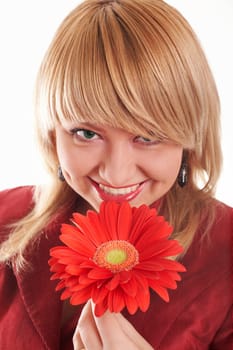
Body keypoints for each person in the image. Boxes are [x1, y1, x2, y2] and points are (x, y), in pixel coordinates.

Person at [0, 0, 232, 349]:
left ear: (190, 136)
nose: (116, 172)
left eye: (148, 136)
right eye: (86, 133)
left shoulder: (227, 254)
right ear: (53, 132)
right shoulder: (5, 216)